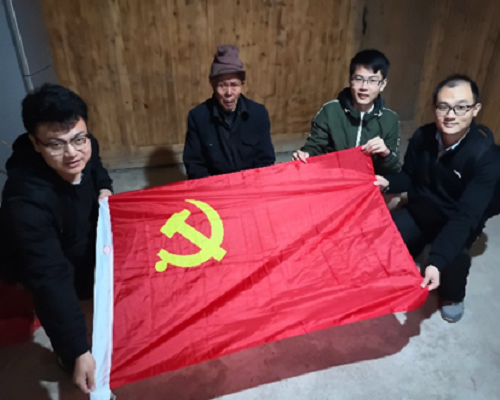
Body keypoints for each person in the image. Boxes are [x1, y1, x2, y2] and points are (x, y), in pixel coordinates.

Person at [0, 84, 113, 393]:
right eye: (56, 144)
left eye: (79, 139)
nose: (72, 153)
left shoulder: (86, 144)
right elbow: (49, 277)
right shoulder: (24, 201)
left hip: (80, 235)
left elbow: (97, 169)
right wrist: (77, 349)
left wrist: (104, 188)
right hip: (43, 255)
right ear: (35, 143)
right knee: (60, 307)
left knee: (91, 293)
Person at [374, 75, 499, 323]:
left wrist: (437, 260)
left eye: (461, 107)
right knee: (383, 244)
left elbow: (467, 216)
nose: (450, 115)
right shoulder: (423, 136)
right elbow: (409, 176)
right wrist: (388, 183)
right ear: (435, 108)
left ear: (475, 109)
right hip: (422, 209)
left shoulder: (487, 157)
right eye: (443, 106)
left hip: (456, 217)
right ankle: (418, 245)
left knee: (452, 260)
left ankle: (454, 296)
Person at [293, 49, 401, 176]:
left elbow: (394, 169)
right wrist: (306, 154)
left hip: (367, 181)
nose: (364, 87)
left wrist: (385, 153)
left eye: (372, 80)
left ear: (382, 84)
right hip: (332, 178)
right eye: (358, 79)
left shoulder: (390, 119)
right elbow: (315, 147)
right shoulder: (331, 110)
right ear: (350, 80)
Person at [183, 45, 276, 179]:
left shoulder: (258, 113)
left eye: (234, 85)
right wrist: (216, 186)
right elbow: (194, 165)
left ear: (241, 84)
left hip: (250, 183)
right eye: (222, 85)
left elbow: (265, 159)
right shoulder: (198, 117)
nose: (228, 93)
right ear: (212, 84)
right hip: (214, 185)